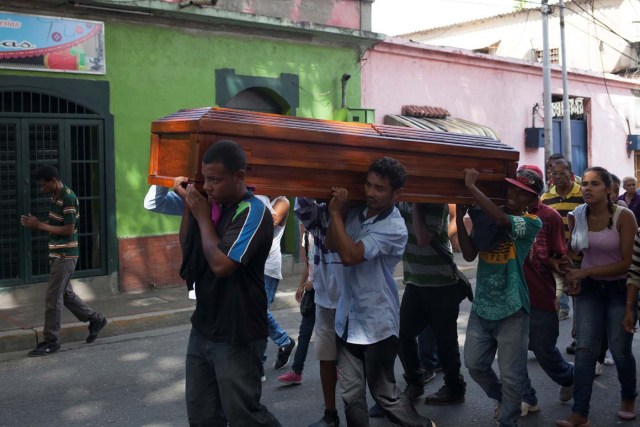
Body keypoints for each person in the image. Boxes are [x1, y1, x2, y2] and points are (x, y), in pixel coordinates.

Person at [327, 157, 435, 427]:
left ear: (397, 193)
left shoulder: (394, 227)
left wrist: (334, 214)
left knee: (385, 396)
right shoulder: (356, 211)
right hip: (347, 320)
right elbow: (331, 243)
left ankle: (424, 426)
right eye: (367, 184)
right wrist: (339, 213)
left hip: (376, 325)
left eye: (379, 188)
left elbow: (351, 255)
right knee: (351, 396)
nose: (370, 192)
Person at [179, 140, 280, 426]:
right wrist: (191, 206)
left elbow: (222, 264)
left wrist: (201, 213)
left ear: (239, 177)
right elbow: (188, 247)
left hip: (239, 330)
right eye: (205, 179)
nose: (208, 187)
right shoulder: (214, 207)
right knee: (202, 414)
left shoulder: (253, 211)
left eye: (215, 180)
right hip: (204, 325)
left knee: (244, 415)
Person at [456, 165, 542, 427]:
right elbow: (470, 254)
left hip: (513, 309)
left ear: (532, 200)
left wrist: (472, 188)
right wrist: (459, 217)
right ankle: (503, 399)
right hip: (482, 307)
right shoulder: (488, 216)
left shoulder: (530, 222)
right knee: (474, 365)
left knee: (513, 377)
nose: (515, 194)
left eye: (523, 192)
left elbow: (503, 222)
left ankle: (508, 421)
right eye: (512, 188)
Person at [556, 167, 637, 427]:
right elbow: (575, 253)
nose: (587, 188)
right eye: (586, 184)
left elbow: (627, 263)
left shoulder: (624, 217)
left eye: (595, 184)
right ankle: (580, 414)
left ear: (609, 190)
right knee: (584, 350)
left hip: (620, 289)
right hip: (590, 289)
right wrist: (569, 272)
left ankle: (627, 396)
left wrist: (585, 271)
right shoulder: (577, 215)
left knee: (620, 350)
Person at [20, 166, 107, 356]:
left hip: (65, 256)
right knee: (65, 294)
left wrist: (39, 225)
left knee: (53, 298)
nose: (42, 189)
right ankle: (95, 319)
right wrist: (37, 224)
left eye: (44, 185)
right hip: (58, 254)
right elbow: (56, 226)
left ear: (53, 180)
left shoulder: (68, 198)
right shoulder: (56, 197)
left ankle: (52, 341)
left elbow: (68, 229)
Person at [397, 202, 466, 406]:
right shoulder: (397, 200)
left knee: (446, 343)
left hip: (441, 283)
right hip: (415, 281)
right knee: (403, 335)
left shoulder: (434, 203)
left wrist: (416, 205)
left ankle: (454, 388)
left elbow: (423, 239)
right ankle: (414, 382)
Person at [520, 183, 575, 417]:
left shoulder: (549, 216)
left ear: (536, 192)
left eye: (525, 191)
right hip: (512, 295)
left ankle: (570, 377)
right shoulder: (507, 213)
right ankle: (526, 397)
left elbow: (559, 254)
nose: (518, 195)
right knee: (514, 351)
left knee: (543, 349)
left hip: (542, 292)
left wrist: (564, 281)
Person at [294, 197, 344, 427]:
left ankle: (383, 403)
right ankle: (330, 413)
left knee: (360, 363)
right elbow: (303, 206)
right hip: (325, 297)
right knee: (326, 357)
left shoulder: (359, 211)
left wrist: (337, 210)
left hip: (354, 298)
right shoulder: (320, 213)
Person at [541, 159, 583, 338]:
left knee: (580, 301)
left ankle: (579, 337)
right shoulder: (546, 198)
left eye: (561, 173)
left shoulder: (583, 194)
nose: (557, 177)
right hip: (556, 259)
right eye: (553, 173)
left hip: (580, 258)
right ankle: (546, 341)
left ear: (570, 174)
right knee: (552, 300)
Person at [255, 195, 296, 372]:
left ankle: (260, 364)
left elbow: (265, 225)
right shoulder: (256, 197)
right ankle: (284, 342)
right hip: (253, 266)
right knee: (257, 314)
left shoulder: (282, 201)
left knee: (259, 312)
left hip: (268, 268)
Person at [277, 228, 315, 386]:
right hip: (312, 294)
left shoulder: (328, 231)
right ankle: (297, 371)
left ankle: (339, 366)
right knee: (304, 333)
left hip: (328, 293)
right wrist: (300, 286)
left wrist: (316, 281)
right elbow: (309, 264)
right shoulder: (308, 235)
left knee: (333, 333)